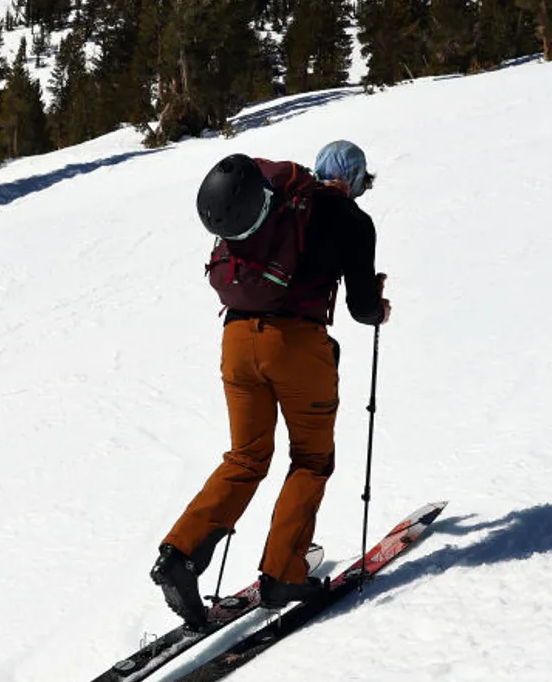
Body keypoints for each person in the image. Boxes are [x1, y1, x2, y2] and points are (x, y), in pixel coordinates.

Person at [150, 140, 390, 627]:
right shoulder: (351, 219)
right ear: (356, 180)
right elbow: (362, 308)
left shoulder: (278, 201)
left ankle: (180, 552)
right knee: (311, 458)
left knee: (246, 455)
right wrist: (379, 307)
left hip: (238, 339)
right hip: (298, 346)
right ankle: (283, 572)